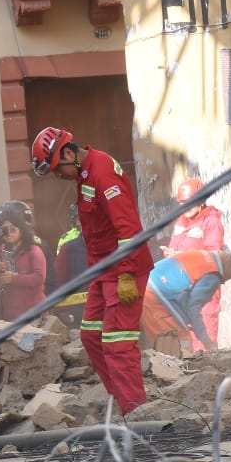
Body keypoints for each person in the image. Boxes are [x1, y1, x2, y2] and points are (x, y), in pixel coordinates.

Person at [32, 126, 153, 415]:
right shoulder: (85, 172)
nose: (57, 176)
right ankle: (122, 398)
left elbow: (128, 230)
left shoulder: (102, 173)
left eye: (56, 169)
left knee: (118, 344)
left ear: (68, 152)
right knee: (91, 336)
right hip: (103, 273)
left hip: (124, 272)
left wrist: (125, 274)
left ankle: (135, 411)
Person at [142, 243, 231, 352]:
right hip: (156, 299)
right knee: (180, 348)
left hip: (147, 286)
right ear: (229, 260)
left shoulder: (204, 257)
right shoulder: (213, 275)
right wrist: (207, 342)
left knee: (170, 348)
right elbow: (193, 307)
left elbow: (184, 292)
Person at [163, 177, 226, 351]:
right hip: (183, 290)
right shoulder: (181, 222)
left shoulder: (211, 221)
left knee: (204, 341)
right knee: (187, 343)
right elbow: (172, 249)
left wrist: (185, 257)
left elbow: (214, 256)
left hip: (203, 289)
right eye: (182, 202)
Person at [0, 202, 47, 320]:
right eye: (5, 230)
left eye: (13, 230)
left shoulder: (34, 251)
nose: (8, 234)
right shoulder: (1, 251)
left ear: (22, 230)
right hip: (9, 316)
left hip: (33, 315)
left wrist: (14, 279)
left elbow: (39, 278)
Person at [52, 220, 89, 328]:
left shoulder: (106, 248)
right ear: (79, 223)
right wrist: (64, 310)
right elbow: (58, 281)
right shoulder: (68, 248)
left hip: (103, 310)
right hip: (77, 313)